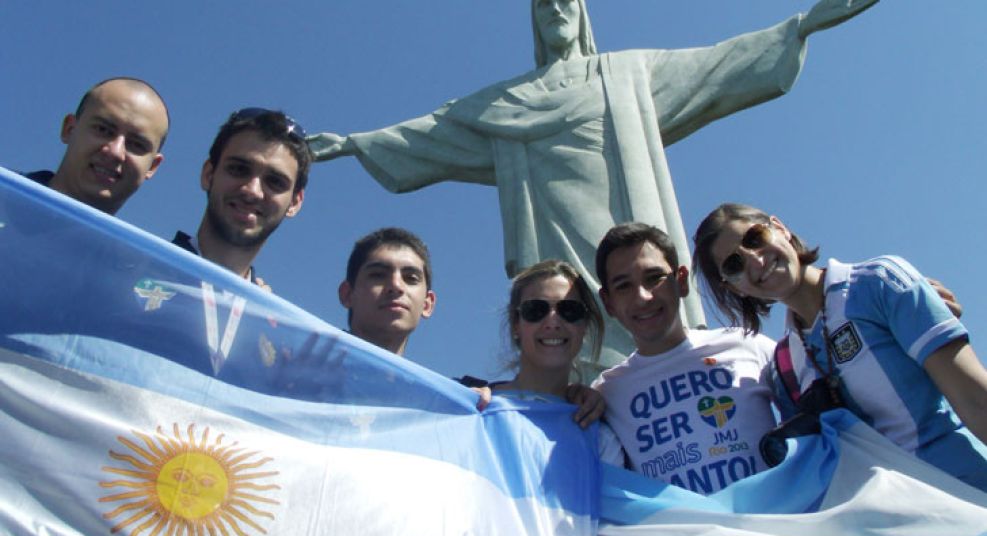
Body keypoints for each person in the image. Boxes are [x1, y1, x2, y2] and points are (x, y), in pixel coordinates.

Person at [306, 0, 878, 369]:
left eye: (564, 1)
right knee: (569, 333)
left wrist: (799, 26)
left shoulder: (626, 74)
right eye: (543, 4)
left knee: (649, 308)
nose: (555, 9)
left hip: (630, 231)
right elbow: (432, 131)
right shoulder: (505, 104)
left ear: (581, 14)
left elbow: (716, 64)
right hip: (555, 246)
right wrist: (358, 142)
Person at [692, 203, 987, 492]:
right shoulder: (783, 368)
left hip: (969, 494)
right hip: (893, 527)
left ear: (779, 228)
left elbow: (975, 399)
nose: (755, 261)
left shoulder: (879, 283)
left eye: (755, 238)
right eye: (734, 264)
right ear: (733, 287)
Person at [591, 223, 777, 494]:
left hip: (774, 529)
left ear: (680, 280)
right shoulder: (605, 393)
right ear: (608, 302)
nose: (643, 297)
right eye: (623, 286)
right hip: (684, 534)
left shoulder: (746, 344)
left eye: (654, 278)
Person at [474, 259, 624, 464]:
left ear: (584, 327)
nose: (553, 322)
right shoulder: (473, 406)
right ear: (516, 324)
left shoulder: (599, 437)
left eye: (570, 310)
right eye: (535, 310)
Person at [173, 108, 310, 289]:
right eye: (239, 170)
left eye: (275, 182)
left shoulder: (267, 315)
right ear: (208, 174)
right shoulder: (134, 272)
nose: (252, 191)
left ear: (295, 202)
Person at [24, 77, 169, 214]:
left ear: (152, 167)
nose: (115, 152)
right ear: (69, 129)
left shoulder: (133, 241)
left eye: (136, 144)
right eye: (103, 130)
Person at [339, 227, 437, 356]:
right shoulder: (306, 368)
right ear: (348, 294)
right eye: (378, 275)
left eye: (410, 278)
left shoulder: (427, 377)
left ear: (427, 304)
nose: (396, 285)